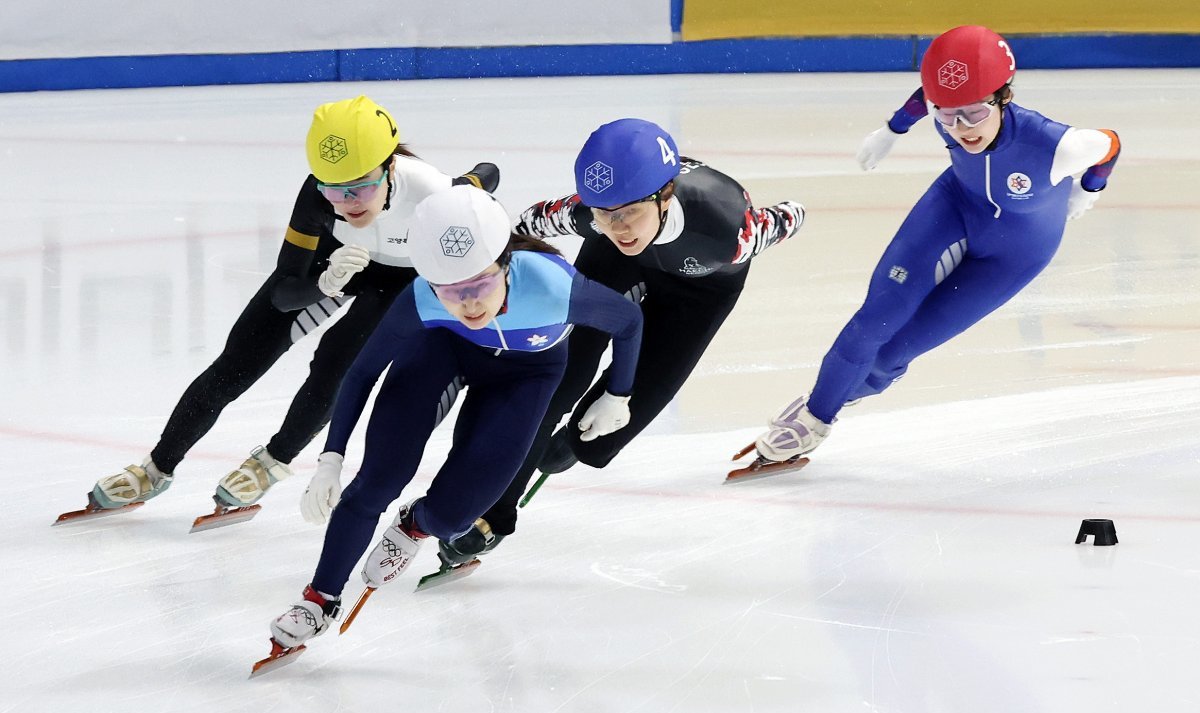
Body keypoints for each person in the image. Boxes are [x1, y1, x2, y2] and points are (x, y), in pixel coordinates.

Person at [80, 96, 499, 519]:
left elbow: (486, 180)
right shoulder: (317, 196)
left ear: (390, 167)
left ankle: (272, 462)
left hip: (399, 280)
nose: (350, 201)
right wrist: (323, 283)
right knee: (238, 361)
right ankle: (156, 468)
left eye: (362, 186)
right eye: (335, 189)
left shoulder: (435, 195)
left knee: (337, 361)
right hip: (337, 262)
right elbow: (284, 292)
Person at [265, 185, 643, 653]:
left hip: (527, 375)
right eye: (450, 291)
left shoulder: (553, 287)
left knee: (453, 516)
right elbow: (362, 370)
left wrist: (618, 394)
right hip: (443, 354)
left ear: (505, 264)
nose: (468, 305)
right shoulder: (422, 297)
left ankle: (416, 524)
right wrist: (331, 457)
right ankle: (319, 600)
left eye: (480, 285)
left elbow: (628, 321)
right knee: (377, 481)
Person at [436, 118, 806, 565]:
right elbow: (529, 222)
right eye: (604, 213)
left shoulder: (728, 228)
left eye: (629, 212)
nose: (619, 226)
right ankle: (495, 513)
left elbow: (791, 215)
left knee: (600, 434)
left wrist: (794, 210)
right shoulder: (598, 220)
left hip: (699, 293)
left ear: (664, 196)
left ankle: (570, 445)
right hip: (614, 265)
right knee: (558, 379)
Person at [749, 25, 1121, 466]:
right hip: (954, 207)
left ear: (1004, 96)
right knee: (875, 319)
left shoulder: (1058, 144)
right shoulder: (946, 104)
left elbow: (1110, 144)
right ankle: (814, 417)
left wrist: (1090, 191)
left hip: (1014, 254)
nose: (962, 129)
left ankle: (844, 394)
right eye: (947, 117)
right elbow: (923, 99)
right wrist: (892, 131)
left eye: (974, 114)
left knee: (892, 354)